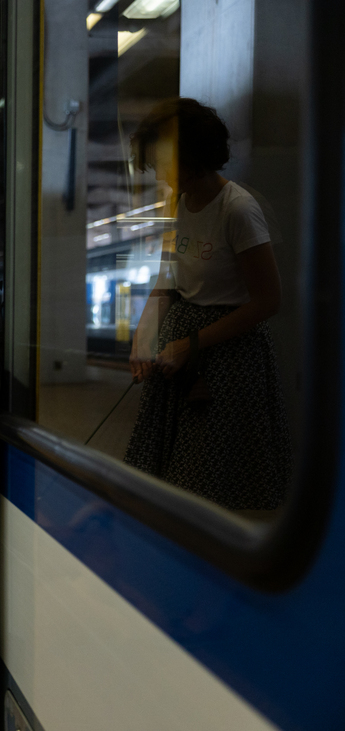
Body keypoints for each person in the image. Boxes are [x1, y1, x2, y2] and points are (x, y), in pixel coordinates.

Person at [123, 98, 291, 512]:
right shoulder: (180, 204)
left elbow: (268, 300)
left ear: (191, 156)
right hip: (185, 348)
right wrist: (142, 340)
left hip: (228, 358)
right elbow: (169, 281)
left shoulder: (237, 210)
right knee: (171, 476)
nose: (159, 176)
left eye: (163, 163)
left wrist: (190, 344)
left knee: (206, 478)